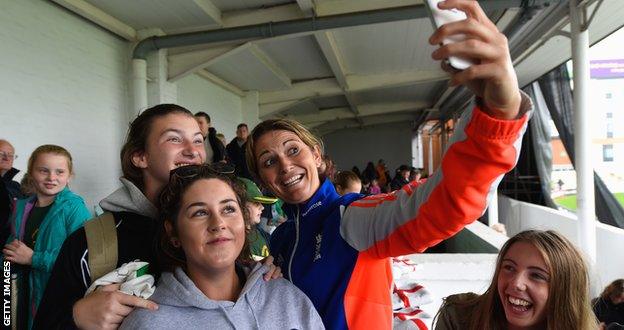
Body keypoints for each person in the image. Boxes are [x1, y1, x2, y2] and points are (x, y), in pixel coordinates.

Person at [245, 1, 532, 328]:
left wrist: (498, 110)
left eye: (293, 149)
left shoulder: (350, 218)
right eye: (269, 161)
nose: (285, 165)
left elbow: (441, 205)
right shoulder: (280, 239)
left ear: (316, 156)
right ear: (264, 182)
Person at [33, 105, 279, 329]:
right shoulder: (94, 242)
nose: (193, 151)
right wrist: (76, 315)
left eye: (198, 140)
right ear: (140, 157)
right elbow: (46, 320)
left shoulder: (223, 226)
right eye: (174, 139)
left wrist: (263, 271)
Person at [120, 165, 324, 329]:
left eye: (228, 209)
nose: (218, 223)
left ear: (244, 223)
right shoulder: (147, 322)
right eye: (199, 212)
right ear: (174, 233)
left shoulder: (287, 298)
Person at [434, 230, 598, 329]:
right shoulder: (458, 317)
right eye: (509, 268)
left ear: (565, 290)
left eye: (537, 275)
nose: (516, 283)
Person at [3, 144, 91, 329]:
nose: (51, 177)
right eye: (44, 170)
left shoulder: (74, 208)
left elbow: (84, 262)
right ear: (31, 172)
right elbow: (11, 249)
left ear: (69, 177)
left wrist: (33, 258)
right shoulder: (22, 207)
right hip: (22, 294)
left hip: (57, 300)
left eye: (59, 172)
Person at [237, 177, 278, 260]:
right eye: (256, 203)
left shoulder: (261, 234)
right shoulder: (236, 242)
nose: (262, 207)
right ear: (239, 206)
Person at [1, 139, 22, 244]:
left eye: (11, 155)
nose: (6, 158)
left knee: (6, 262)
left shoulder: (16, 187)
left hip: (8, 248)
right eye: (1, 153)